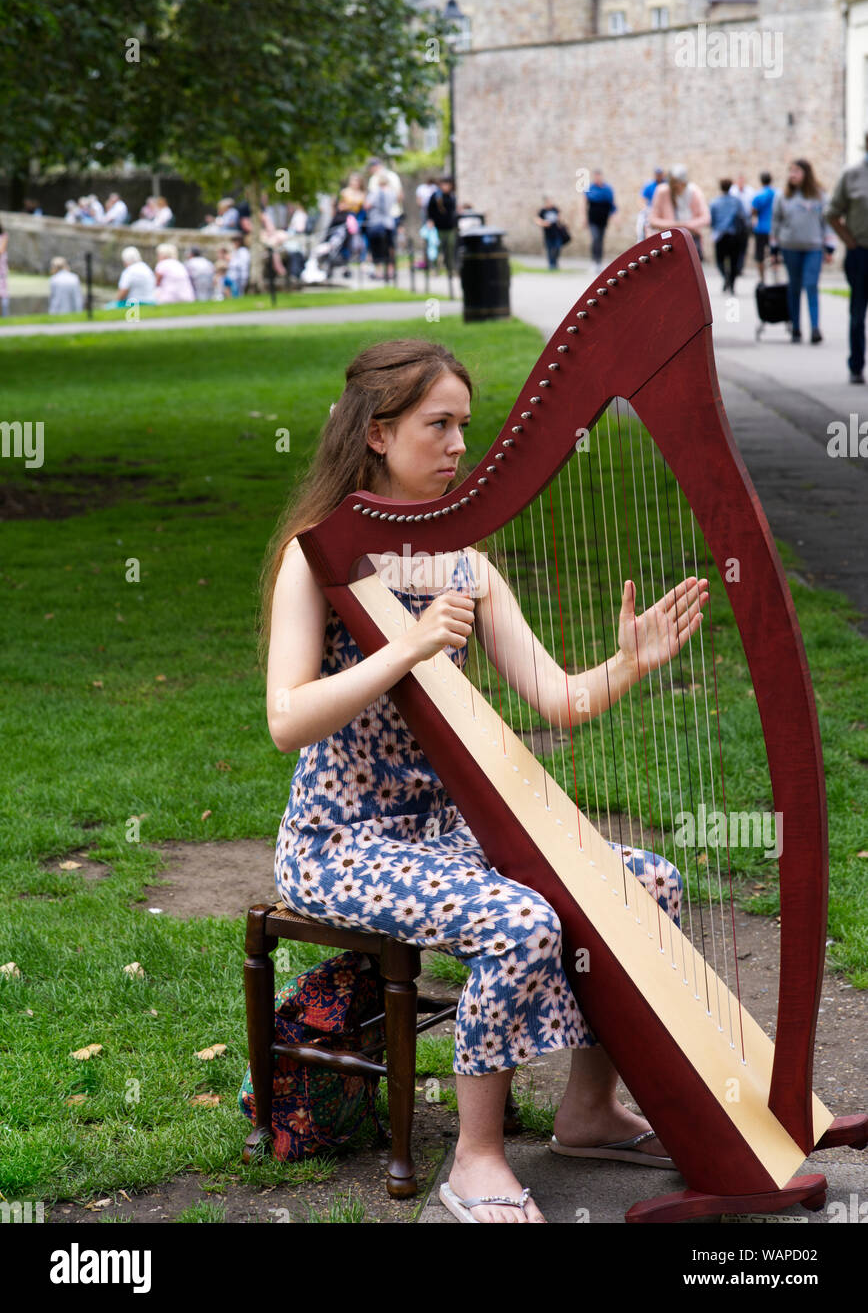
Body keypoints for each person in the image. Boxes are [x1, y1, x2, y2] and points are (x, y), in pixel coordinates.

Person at [261, 338, 709, 1224]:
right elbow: (286, 720)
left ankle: (586, 1111)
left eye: (466, 424)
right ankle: (475, 1162)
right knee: (521, 920)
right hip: (341, 842)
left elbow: (558, 700)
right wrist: (408, 649)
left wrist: (629, 663)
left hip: (443, 837)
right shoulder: (315, 560)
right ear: (379, 434)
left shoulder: (464, 560)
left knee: (652, 881)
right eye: (440, 425)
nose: (461, 443)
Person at [770, 159, 834, 344]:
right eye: (790, 171)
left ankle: (815, 327)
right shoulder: (783, 196)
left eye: (796, 171)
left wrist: (829, 246)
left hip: (813, 247)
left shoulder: (819, 196)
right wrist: (774, 248)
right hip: (790, 247)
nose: (792, 175)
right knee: (794, 287)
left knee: (811, 285)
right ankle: (796, 327)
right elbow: (775, 223)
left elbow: (827, 222)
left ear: (806, 173)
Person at [826, 128, 868, 383]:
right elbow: (831, 213)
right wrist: (849, 241)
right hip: (861, 253)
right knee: (858, 311)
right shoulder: (852, 175)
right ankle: (856, 365)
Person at [647, 164, 711, 261]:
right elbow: (653, 220)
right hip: (668, 240)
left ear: (684, 183)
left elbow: (706, 218)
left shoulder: (694, 192)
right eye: (673, 184)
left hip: (690, 238)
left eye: (678, 184)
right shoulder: (662, 192)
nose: (676, 187)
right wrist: (678, 225)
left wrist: (687, 226)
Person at [709, 178, 748, 294]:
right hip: (734, 235)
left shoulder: (714, 202)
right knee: (734, 261)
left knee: (720, 260)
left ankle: (726, 277)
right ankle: (731, 283)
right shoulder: (736, 201)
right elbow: (744, 216)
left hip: (720, 235)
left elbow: (712, 220)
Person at [584, 170, 617, 272]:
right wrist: (584, 218)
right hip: (592, 218)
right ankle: (594, 261)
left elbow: (612, 204)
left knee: (601, 240)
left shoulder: (607, 189)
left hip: (603, 219)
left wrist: (615, 217)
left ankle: (599, 262)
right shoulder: (590, 189)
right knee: (595, 238)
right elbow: (584, 203)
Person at [426, 177, 458, 275]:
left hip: (450, 226)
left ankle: (451, 268)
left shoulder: (452, 196)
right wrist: (430, 220)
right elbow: (429, 210)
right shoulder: (436, 196)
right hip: (438, 227)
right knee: (437, 248)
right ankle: (435, 268)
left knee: (450, 247)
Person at [751, 172, 777, 284]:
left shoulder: (758, 195)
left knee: (760, 255)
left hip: (761, 228)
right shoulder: (777, 194)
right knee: (774, 253)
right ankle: (776, 278)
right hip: (774, 229)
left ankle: (762, 279)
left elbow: (753, 212)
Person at [534, 197, 564, 270]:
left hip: (557, 233)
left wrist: (560, 221)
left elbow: (560, 218)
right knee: (549, 249)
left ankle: (555, 262)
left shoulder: (555, 209)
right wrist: (543, 223)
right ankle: (551, 265)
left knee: (557, 247)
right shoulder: (543, 211)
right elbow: (537, 219)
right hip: (548, 234)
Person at [0, 222, 8, 317]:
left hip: (1, 268)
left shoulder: (4, 235)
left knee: (3, 292)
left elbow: (1, 250)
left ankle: (5, 316)